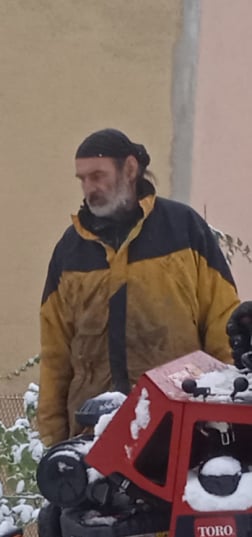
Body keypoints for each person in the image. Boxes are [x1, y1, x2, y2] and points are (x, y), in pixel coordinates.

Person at [38, 128, 239, 445]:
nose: (89, 188)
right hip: (92, 435)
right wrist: (52, 442)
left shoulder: (183, 230)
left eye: (98, 176)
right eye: (83, 179)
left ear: (130, 169)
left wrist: (228, 419)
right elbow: (55, 356)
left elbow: (222, 326)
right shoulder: (70, 250)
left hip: (181, 429)